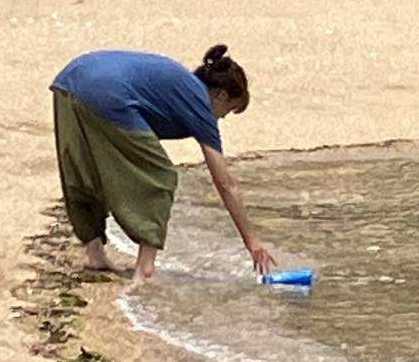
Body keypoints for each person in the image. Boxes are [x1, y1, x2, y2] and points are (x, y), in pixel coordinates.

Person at [50, 44, 277, 279]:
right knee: (161, 176)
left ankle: (95, 254)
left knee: (85, 169)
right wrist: (253, 241)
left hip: (70, 80)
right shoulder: (198, 102)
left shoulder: (182, 85)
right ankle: (145, 267)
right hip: (107, 93)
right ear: (220, 95)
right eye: (228, 110)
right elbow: (225, 183)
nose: (221, 118)